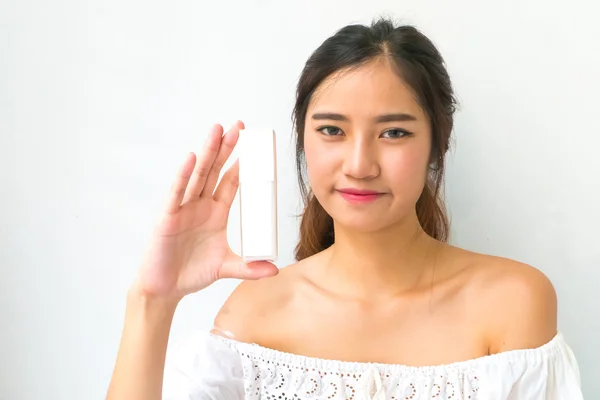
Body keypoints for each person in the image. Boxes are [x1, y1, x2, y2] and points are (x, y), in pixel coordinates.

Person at [106, 17, 583, 400]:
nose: (359, 165)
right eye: (332, 130)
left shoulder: (511, 301)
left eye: (394, 132)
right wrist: (153, 300)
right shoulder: (255, 315)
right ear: (303, 145)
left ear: (437, 146)